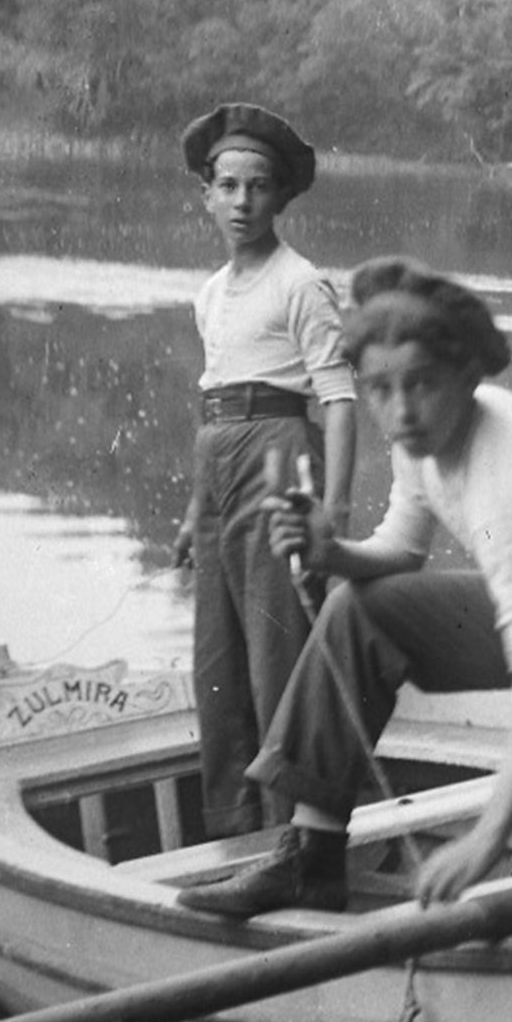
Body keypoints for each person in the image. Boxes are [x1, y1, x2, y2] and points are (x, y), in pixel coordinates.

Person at [180, 258, 512, 923]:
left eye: (421, 385)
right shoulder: (420, 437)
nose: (399, 410)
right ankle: (311, 858)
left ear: (467, 376)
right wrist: (331, 553)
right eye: (378, 389)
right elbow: (402, 550)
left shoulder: (506, 480)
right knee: (360, 610)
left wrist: (487, 838)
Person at [177, 102, 358, 840]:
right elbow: (213, 407)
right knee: (216, 662)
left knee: (276, 655)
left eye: (258, 187)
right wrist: (195, 511)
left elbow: (341, 403)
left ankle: (292, 836)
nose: (242, 202)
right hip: (218, 458)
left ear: (281, 197)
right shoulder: (210, 295)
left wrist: (334, 516)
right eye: (228, 186)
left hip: (282, 455)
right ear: (208, 195)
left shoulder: (302, 283)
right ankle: (232, 831)